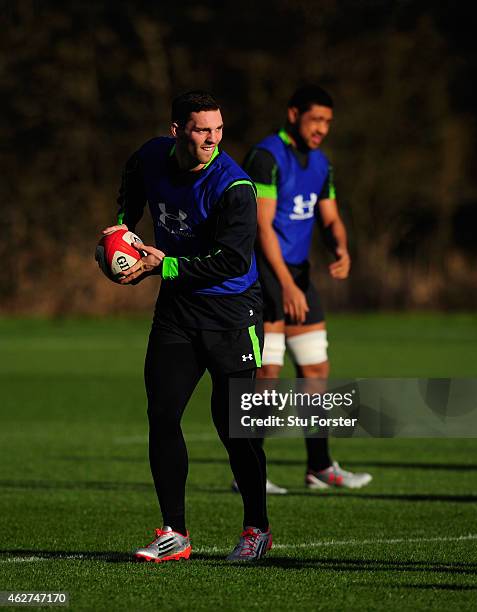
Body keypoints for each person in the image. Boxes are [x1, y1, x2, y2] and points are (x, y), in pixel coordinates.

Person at [101, 90, 271, 562]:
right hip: (178, 313)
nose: (213, 139)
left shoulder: (234, 186)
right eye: (202, 130)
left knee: (234, 427)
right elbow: (134, 181)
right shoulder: (154, 155)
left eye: (218, 129)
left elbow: (234, 261)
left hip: (232, 313)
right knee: (162, 413)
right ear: (177, 130)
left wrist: (164, 266)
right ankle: (174, 532)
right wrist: (122, 230)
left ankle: (256, 528)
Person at [240, 85, 372, 494]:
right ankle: (248, 471)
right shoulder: (265, 157)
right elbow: (262, 228)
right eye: (316, 120)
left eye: (328, 123)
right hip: (263, 275)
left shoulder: (320, 163)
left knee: (316, 369)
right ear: (293, 114)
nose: (322, 129)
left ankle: (319, 466)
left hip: (298, 275)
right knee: (267, 374)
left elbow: (330, 216)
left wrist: (341, 246)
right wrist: (284, 285)